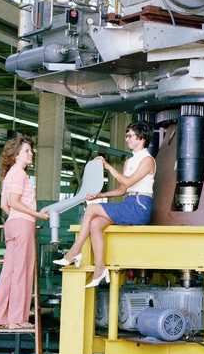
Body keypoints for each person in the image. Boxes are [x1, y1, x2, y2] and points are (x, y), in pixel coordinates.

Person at [53, 121, 156, 288]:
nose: (127, 139)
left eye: (130, 136)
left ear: (141, 138)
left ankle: (75, 251)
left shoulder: (148, 160)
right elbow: (123, 189)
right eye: (126, 135)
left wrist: (108, 166)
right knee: (95, 223)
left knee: (92, 209)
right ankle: (100, 268)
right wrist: (101, 195)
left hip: (139, 206)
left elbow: (128, 181)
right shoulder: (129, 162)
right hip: (129, 201)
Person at [0, 136, 50, 330]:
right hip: (23, 225)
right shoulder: (20, 175)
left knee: (9, 272)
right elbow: (14, 202)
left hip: (12, 224)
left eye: (31, 151)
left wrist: (16, 217)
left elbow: (4, 205)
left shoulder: (9, 175)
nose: (31, 154)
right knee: (22, 272)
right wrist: (36, 215)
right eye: (26, 151)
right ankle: (17, 319)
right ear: (16, 155)